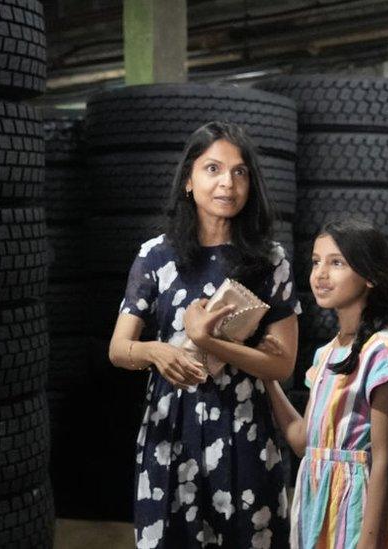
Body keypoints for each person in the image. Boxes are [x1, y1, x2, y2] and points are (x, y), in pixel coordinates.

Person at [108, 121, 299, 548]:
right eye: (212, 169)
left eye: (239, 172)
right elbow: (119, 349)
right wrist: (156, 352)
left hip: (246, 426)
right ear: (188, 181)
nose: (227, 183)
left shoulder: (270, 261)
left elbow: (283, 363)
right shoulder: (155, 256)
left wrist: (213, 342)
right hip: (171, 431)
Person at [262, 218, 388, 549]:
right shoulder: (325, 354)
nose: (320, 274)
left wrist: (369, 543)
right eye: (316, 262)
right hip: (315, 500)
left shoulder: (382, 351)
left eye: (336, 262)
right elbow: (302, 442)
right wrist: (268, 378)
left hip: (356, 506)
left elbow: (385, 458)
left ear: (369, 276)